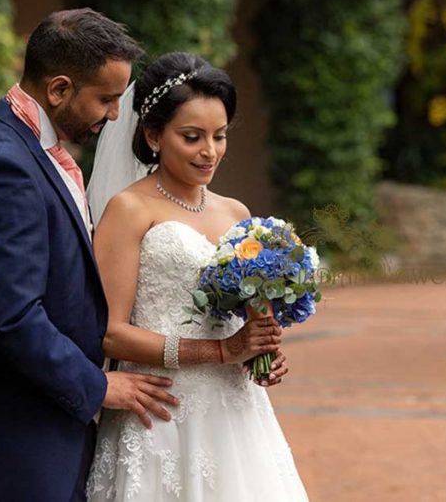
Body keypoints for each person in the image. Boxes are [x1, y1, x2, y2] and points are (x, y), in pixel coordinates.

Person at [0, 9, 180, 502]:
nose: (115, 115)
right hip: (18, 443)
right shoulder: (6, 164)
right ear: (59, 90)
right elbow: (13, 315)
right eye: (107, 99)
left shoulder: (30, 147)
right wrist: (97, 388)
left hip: (49, 430)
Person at [84, 52, 309, 501]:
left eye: (219, 136)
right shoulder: (129, 210)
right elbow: (110, 334)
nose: (210, 151)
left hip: (236, 413)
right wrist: (222, 349)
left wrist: (260, 351)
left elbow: (246, 321)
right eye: (192, 137)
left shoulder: (238, 215)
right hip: (161, 410)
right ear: (153, 136)